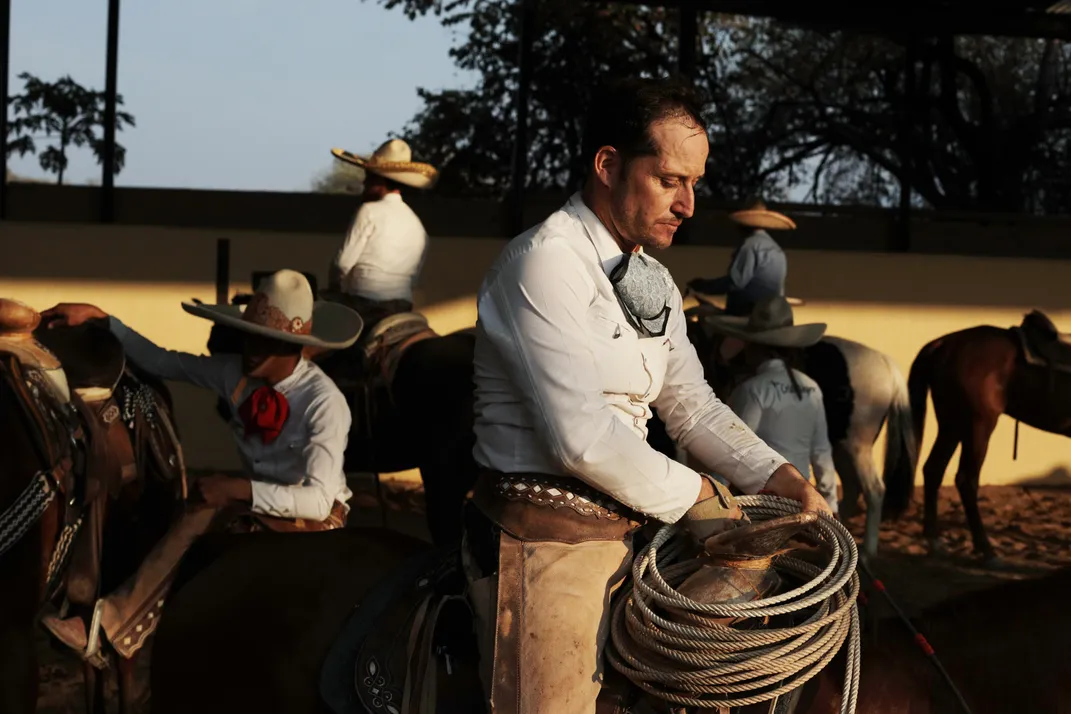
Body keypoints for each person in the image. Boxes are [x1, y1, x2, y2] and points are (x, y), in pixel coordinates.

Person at [465, 76, 831, 714]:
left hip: (634, 519)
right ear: (608, 165)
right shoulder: (544, 261)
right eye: (669, 180)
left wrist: (776, 475)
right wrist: (701, 494)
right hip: (546, 535)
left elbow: (691, 405)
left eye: (694, 182)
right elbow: (579, 437)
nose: (688, 204)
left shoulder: (654, 279)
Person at [38, 269, 363, 665]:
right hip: (259, 502)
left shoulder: (324, 403)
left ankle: (109, 626)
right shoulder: (234, 374)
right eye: (250, 335)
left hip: (316, 518)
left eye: (270, 341)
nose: (254, 348)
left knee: (200, 513)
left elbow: (316, 501)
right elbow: (163, 361)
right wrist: (103, 319)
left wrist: (237, 489)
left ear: (296, 346)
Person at [705, 295, 839, 515]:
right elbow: (821, 451)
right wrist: (831, 503)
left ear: (753, 347)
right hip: (802, 498)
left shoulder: (752, 389)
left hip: (761, 505)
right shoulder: (812, 387)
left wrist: (714, 501)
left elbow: (732, 447)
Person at [326, 138, 438, 335]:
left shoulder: (368, 211)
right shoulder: (419, 227)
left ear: (379, 181)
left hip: (363, 304)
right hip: (403, 306)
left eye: (368, 177)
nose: (364, 182)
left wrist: (334, 288)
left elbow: (342, 264)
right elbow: (413, 280)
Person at [687, 198, 795, 316]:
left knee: (697, 315)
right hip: (771, 314)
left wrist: (703, 286)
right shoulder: (776, 248)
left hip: (748, 314)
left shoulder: (749, 245)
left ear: (743, 224)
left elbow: (735, 282)